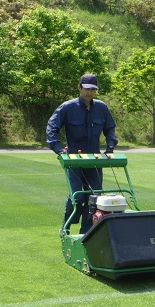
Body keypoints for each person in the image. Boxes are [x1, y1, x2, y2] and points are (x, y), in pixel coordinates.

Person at [46, 73, 118, 235]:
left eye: (93, 89)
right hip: (73, 160)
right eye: (87, 89)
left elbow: (110, 128)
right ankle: (66, 225)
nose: (90, 93)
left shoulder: (101, 108)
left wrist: (110, 146)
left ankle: (87, 231)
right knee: (77, 197)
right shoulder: (67, 107)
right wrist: (58, 148)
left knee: (95, 197)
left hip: (94, 159)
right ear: (79, 87)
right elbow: (52, 127)